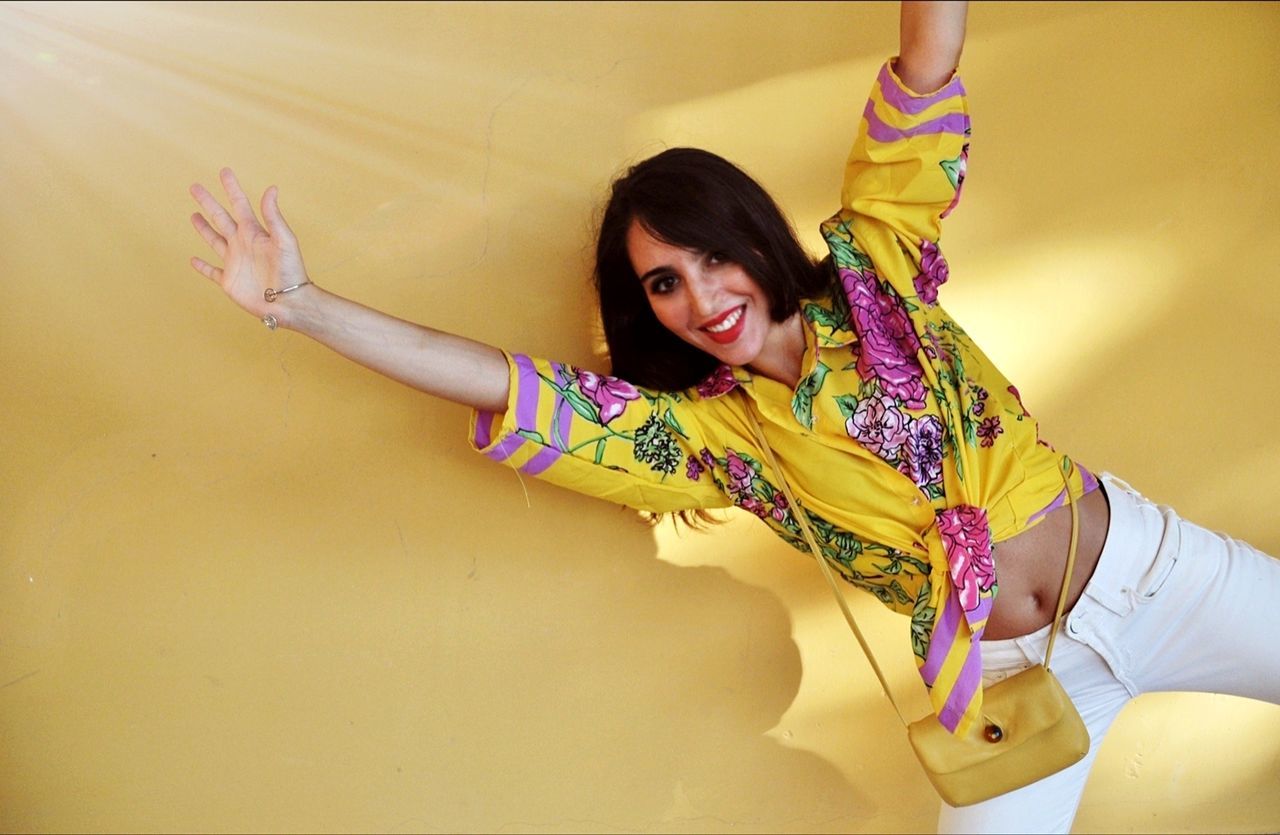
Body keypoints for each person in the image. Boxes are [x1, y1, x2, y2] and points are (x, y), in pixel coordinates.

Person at [186, 2, 1279, 832]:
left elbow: (923, 64)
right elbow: (501, 381)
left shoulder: (876, 266)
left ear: (754, 238)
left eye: (710, 255)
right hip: (1000, 678)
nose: (699, 296)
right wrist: (298, 305)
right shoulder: (715, 436)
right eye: (662, 282)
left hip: (1148, 572)